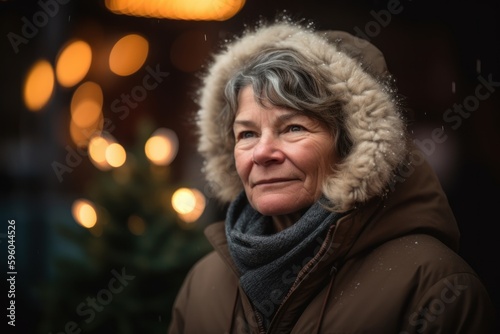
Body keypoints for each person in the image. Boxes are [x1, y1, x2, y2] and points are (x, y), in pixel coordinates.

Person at [168, 18, 495, 333]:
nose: (262, 153)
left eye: (293, 128)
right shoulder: (203, 283)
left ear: (352, 145)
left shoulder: (436, 288)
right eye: (247, 134)